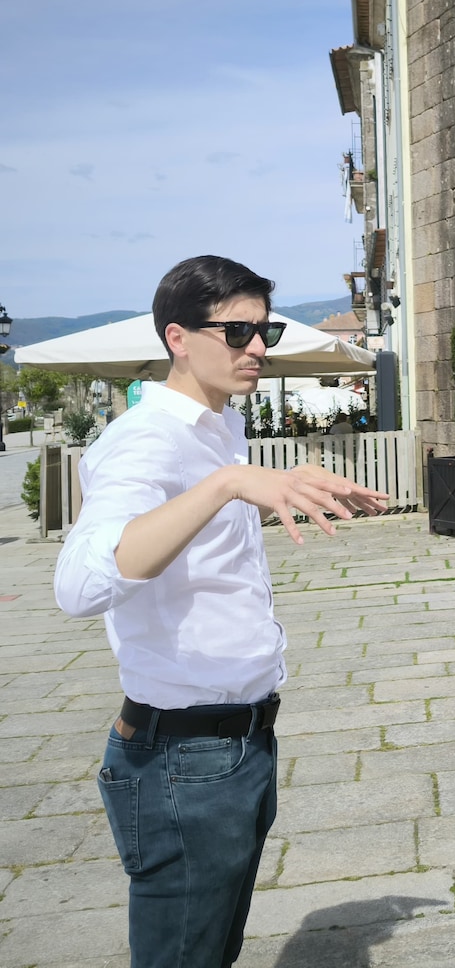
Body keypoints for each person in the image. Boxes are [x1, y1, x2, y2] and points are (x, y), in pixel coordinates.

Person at [54, 256, 389, 968]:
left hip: (237, 744)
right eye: (238, 332)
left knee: (212, 949)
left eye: (262, 330)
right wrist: (228, 484)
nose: (258, 348)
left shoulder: (219, 426)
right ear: (179, 337)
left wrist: (255, 478)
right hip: (181, 758)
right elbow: (80, 586)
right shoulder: (146, 440)